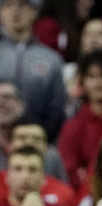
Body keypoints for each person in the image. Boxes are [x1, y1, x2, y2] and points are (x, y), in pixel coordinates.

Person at [58, 49, 102, 192]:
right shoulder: (73, 126)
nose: (97, 83)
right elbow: (68, 172)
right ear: (83, 83)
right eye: (91, 77)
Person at [0, 0, 66, 140]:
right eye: (8, 5)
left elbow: (56, 109)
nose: (15, 11)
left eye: (22, 5)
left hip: (37, 143)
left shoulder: (52, 59)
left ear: (34, 12)